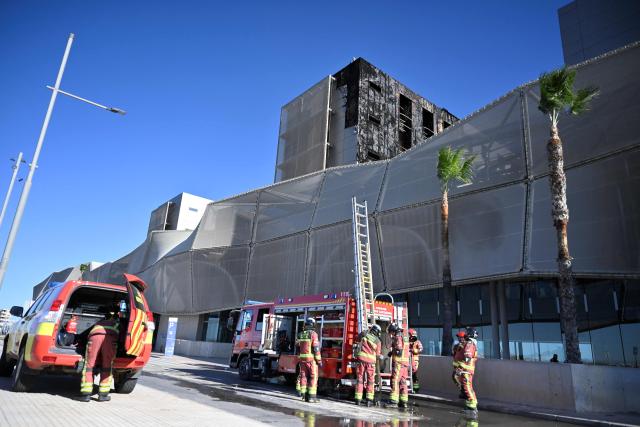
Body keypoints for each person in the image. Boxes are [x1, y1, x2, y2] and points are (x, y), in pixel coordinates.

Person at [78, 304, 121, 402]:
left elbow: (86, 334)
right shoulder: (117, 323)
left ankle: (85, 395)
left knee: (89, 366)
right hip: (110, 340)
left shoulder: (99, 322)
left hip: (94, 338)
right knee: (107, 366)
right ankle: (103, 395)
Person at [354, 324, 382, 406]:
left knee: (360, 379)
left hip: (361, 360)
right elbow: (377, 355)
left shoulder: (364, 334)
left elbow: (356, 339)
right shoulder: (378, 341)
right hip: (371, 363)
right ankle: (369, 400)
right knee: (370, 381)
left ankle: (358, 399)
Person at [296, 317, 322, 403]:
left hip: (302, 359)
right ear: (313, 325)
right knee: (313, 377)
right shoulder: (313, 334)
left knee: (303, 376)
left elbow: (297, 346)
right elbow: (316, 349)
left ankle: (304, 396)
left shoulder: (301, 334)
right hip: (311, 360)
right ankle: (311, 397)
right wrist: (319, 361)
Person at [386, 323, 410, 409]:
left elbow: (398, 351)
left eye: (391, 333)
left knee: (395, 380)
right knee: (403, 382)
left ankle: (393, 401)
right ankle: (403, 401)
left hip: (399, 363)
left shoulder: (398, 337)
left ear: (393, 331)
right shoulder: (405, 336)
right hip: (405, 363)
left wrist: (392, 352)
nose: (391, 335)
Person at [457, 327, 479, 418]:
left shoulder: (470, 343)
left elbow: (468, 356)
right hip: (467, 369)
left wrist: (461, 368)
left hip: (466, 370)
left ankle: (472, 407)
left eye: (467, 332)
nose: (465, 333)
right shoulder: (472, 343)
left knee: (467, 387)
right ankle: (469, 406)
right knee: (467, 387)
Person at [452, 330, 467, 399]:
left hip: (463, 366)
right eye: (458, 337)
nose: (459, 338)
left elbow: (467, 357)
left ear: (464, 337)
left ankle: (464, 392)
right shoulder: (456, 346)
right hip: (457, 365)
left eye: (460, 337)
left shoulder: (466, 345)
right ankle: (463, 392)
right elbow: (454, 355)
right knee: (458, 379)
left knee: (456, 377)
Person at [408, 329, 423, 393]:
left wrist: (414, 351)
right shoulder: (407, 342)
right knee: (407, 374)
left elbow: (421, 349)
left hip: (414, 360)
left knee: (414, 374)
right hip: (408, 360)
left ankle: (416, 389)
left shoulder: (417, 342)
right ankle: (408, 387)